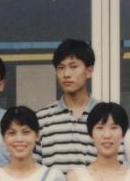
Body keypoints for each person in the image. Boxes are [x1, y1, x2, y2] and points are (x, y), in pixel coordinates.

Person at [35, 38, 103, 172]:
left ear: (89, 71)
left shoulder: (105, 117)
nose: (66, 74)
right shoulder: (41, 119)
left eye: (73, 67)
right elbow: (33, 171)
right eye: (61, 68)